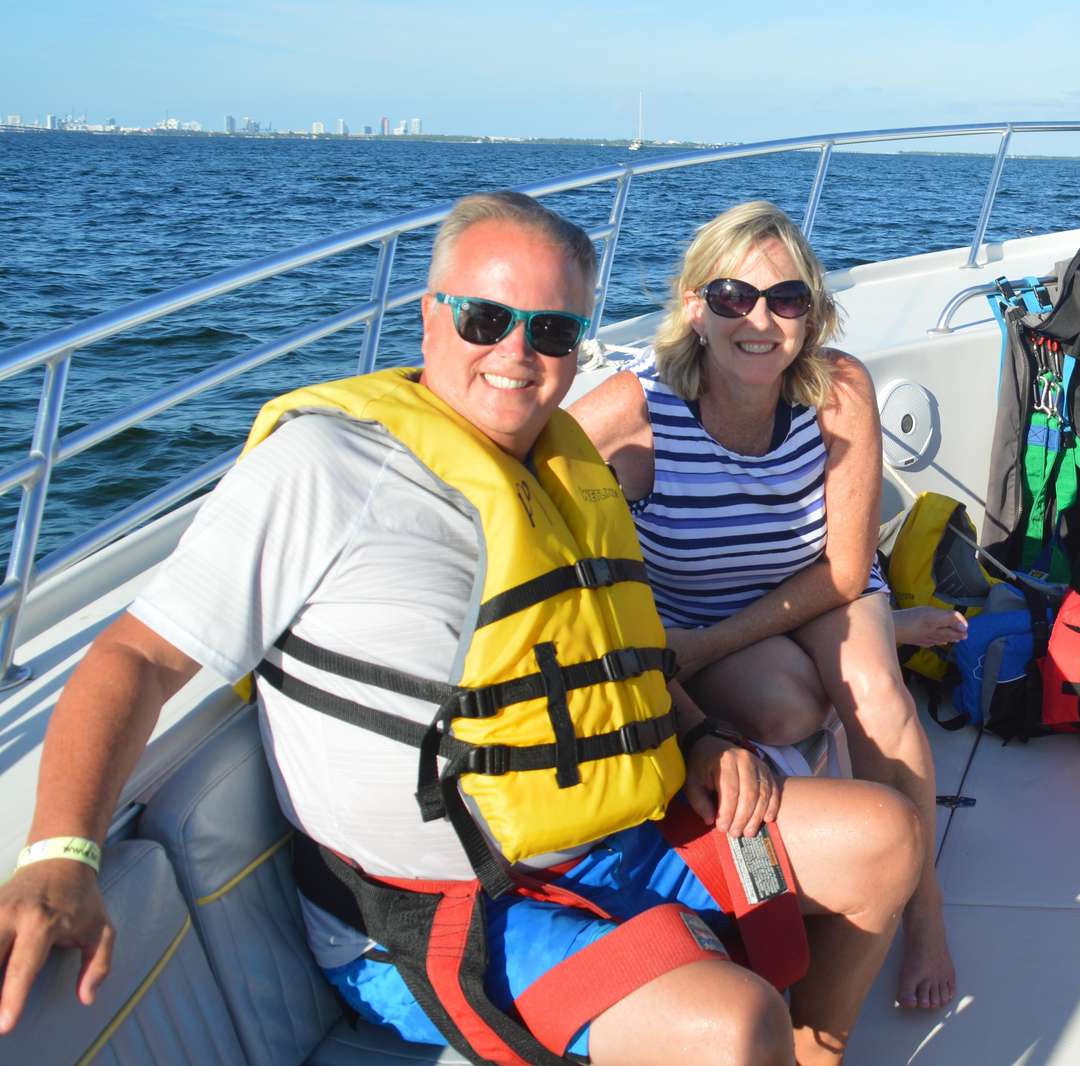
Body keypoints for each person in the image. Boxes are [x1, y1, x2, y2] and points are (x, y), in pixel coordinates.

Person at [0, 191, 921, 1066]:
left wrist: (704, 735)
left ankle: (815, 1050)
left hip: (621, 830)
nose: (517, 354)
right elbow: (136, 657)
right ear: (430, 316)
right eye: (487, 319)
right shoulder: (327, 468)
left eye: (554, 330)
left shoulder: (563, 468)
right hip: (441, 914)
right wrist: (60, 852)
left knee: (884, 840)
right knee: (730, 1023)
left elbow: (604, 653)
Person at [570, 200, 956, 1010]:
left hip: (817, 589)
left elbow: (846, 570)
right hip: (705, 613)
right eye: (732, 298)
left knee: (876, 697)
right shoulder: (636, 410)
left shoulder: (835, 389)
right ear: (693, 310)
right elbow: (524, 475)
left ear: (811, 317)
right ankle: (900, 634)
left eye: (786, 301)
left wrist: (705, 649)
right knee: (789, 711)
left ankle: (926, 910)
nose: (760, 320)